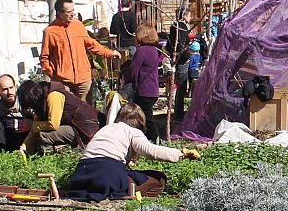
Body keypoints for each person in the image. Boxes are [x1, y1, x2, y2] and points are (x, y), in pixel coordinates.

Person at [60, 104, 199, 201]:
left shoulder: (105, 129)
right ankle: (125, 195)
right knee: (158, 179)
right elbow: (151, 151)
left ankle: (114, 190)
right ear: (140, 122)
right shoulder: (132, 131)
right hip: (108, 174)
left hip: (81, 174)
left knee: (126, 174)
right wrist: (181, 153)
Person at [41, 0, 120, 99]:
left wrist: (110, 53)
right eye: (69, 12)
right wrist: (54, 75)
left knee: (85, 108)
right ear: (59, 13)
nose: (72, 14)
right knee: (67, 108)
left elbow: (92, 44)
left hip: (83, 79)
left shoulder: (78, 25)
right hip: (63, 82)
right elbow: (44, 58)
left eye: (73, 11)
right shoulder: (50, 32)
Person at [18, 78, 101, 155]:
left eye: (30, 105)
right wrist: (24, 147)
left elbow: (53, 125)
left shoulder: (53, 96)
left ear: (34, 98)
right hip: (76, 127)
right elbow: (35, 129)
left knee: (44, 136)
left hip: (85, 127)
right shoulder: (41, 100)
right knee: (41, 133)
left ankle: (48, 160)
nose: (31, 108)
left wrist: (35, 125)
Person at [127, 21, 165, 123]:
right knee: (144, 117)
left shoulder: (142, 50)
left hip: (143, 90)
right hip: (153, 90)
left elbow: (133, 70)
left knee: (146, 119)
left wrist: (129, 81)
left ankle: (154, 133)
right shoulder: (155, 50)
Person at [0, 74, 27, 152]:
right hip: (6, 139)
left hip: (26, 139)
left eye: (11, 88)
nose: (9, 92)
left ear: (16, 87)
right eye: (5, 89)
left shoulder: (25, 100)